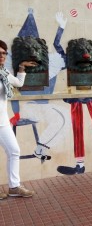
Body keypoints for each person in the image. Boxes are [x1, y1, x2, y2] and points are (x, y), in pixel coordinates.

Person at [0, 40, 36, 199]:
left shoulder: (4, 73)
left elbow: (19, 83)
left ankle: (14, 187)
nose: (2, 56)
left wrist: (21, 67)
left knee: (14, 151)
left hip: (3, 122)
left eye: (4, 53)